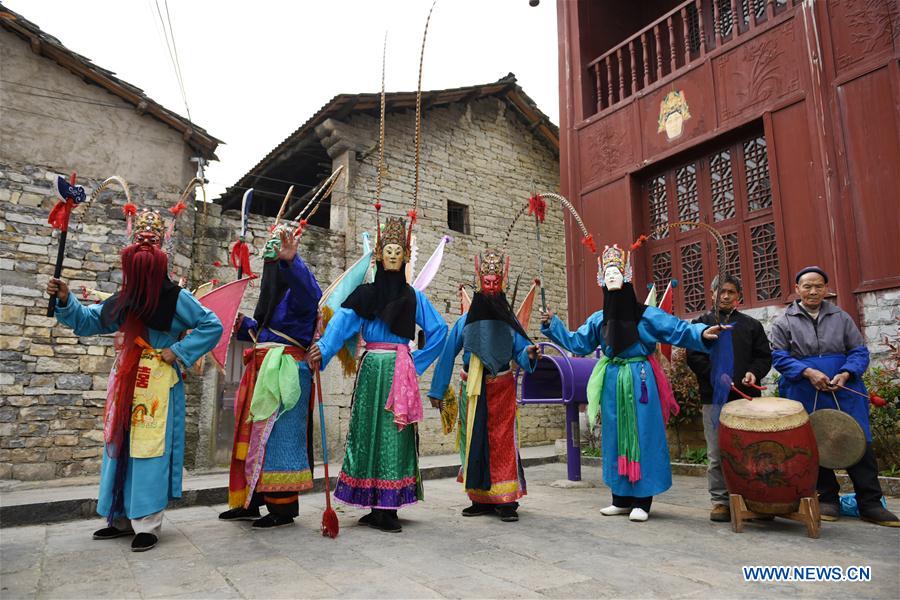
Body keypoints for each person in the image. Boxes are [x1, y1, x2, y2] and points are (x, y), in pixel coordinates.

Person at [48, 209, 222, 551]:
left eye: (151, 244)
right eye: (138, 243)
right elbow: (89, 321)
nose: (144, 249)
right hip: (125, 376)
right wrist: (66, 299)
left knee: (149, 448)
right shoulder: (125, 297)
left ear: (161, 255)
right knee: (120, 444)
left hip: (156, 378)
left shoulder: (175, 297)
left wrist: (180, 350)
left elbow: (212, 325)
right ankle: (119, 517)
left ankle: (147, 524)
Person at [540, 244, 725, 522]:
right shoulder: (599, 319)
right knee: (613, 436)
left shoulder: (646, 315)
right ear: (601, 280)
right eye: (608, 273)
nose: (612, 277)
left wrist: (701, 332)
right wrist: (552, 324)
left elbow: (678, 329)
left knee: (643, 434)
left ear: (626, 277)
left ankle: (643, 500)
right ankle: (620, 498)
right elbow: (577, 342)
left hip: (640, 379)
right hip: (613, 380)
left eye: (617, 272)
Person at [308, 217, 448, 533]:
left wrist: (415, 362)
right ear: (380, 255)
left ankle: (389, 508)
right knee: (366, 432)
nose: (394, 255)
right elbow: (342, 322)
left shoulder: (414, 297)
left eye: (399, 250)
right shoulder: (365, 294)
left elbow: (439, 330)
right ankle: (374, 502)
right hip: (371, 368)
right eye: (388, 249)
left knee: (392, 435)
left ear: (406, 256)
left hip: (398, 368)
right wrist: (324, 348)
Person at [770, 266, 899, 527]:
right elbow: (778, 356)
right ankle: (827, 498)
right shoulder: (784, 321)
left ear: (826, 289)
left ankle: (870, 503)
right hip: (804, 390)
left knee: (858, 439)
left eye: (818, 286)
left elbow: (859, 351)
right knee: (813, 442)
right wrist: (807, 372)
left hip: (845, 389)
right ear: (797, 290)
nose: (813, 291)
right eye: (807, 286)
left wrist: (846, 373)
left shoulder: (841, 317)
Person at [218, 226, 322, 529]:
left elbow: (311, 295)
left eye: (277, 253)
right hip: (262, 369)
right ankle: (250, 501)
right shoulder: (271, 301)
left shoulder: (298, 291)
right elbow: (263, 332)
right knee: (252, 439)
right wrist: (242, 324)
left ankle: (283, 508)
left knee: (279, 439)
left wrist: (293, 261)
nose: (272, 261)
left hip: (286, 373)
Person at [427, 249, 539, 522]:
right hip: (473, 390)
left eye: (495, 283)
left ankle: (506, 501)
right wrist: (437, 389)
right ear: (480, 283)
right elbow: (447, 353)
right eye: (486, 282)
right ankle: (479, 498)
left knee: (502, 444)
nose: (490, 287)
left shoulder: (509, 323)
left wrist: (531, 355)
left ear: (502, 284)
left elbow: (521, 351)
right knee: (472, 442)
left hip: (501, 388)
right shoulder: (465, 321)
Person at [686, 274, 772, 523]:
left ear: (738, 296)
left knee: (750, 450)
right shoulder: (700, 324)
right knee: (717, 452)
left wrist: (753, 373)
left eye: (731, 292)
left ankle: (752, 498)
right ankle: (721, 501)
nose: (725, 296)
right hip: (714, 399)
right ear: (711, 293)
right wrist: (715, 376)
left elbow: (763, 357)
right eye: (721, 291)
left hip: (746, 400)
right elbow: (694, 357)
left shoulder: (751, 326)